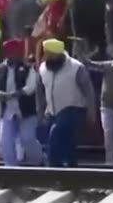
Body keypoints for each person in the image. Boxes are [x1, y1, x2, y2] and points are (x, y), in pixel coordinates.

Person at [37, 38, 97, 167]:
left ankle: (53, 170)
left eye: (49, 54)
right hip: (52, 112)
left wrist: (92, 111)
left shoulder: (76, 67)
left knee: (55, 136)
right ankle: (72, 173)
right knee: (68, 145)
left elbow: (88, 90)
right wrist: (40, 111)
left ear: (57, 54)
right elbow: (40, 90)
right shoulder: (43, 68)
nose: (46, 57)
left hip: (74, 109)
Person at [0, 38, 45, 167]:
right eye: (10, 53)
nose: (12, 56)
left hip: (26, 112)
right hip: (7, 111)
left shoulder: (27, 69)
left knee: (27, 139)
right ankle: (10, 169)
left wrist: (16, 94)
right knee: (5, 142)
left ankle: (39, 162)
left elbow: (31, 87)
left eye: (15, 53)